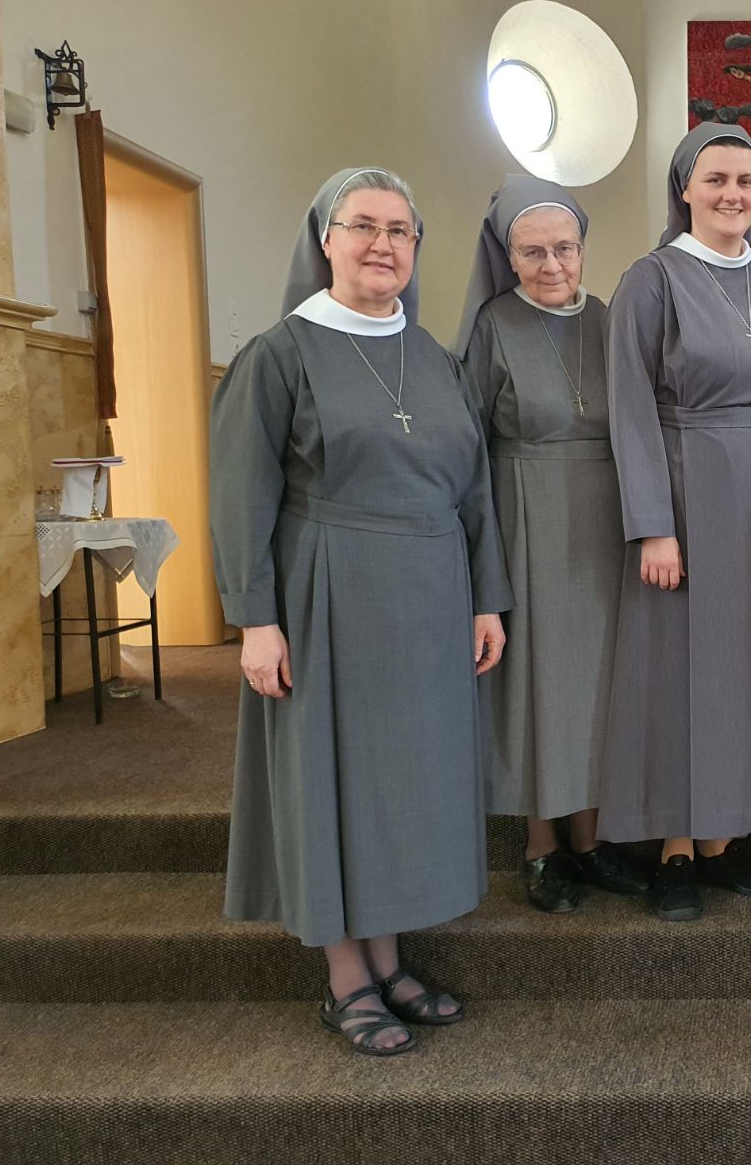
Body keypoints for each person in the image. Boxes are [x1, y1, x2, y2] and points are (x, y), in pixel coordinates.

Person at [211, 168, 511, 1056]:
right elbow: (243, 495)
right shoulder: (280, 354)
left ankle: (388, 959)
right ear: (326, 241)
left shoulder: (437, 359)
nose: (383, 245)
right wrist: (255, 619)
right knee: (335, 779)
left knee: (401, 784)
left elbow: (476, 491)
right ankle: (347, 979)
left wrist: (487, 600)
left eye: (399, 230)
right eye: (363, 226)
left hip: (433, 594)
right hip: (328, 593)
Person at [599, 122, 751, 921]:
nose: (733, 194)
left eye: (746, 180)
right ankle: (674, 847)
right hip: (690, 494)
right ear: (685, 190)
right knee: (682, 670)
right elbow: (630, 406)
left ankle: (724, 839)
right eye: (716, 179)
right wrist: (652, 524)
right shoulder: (652, 280)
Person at [453, 175, 651, 914]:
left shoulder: (608, 318)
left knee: (600, 682)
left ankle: (592, 840)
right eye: (533, 252)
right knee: (539, 682)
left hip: (605, 522)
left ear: (583, 248)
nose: (552, 265)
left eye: (565, 248)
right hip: (526, 516)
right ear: (508, 257)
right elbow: (468, 445)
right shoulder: (492, 325)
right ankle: (542, 845)